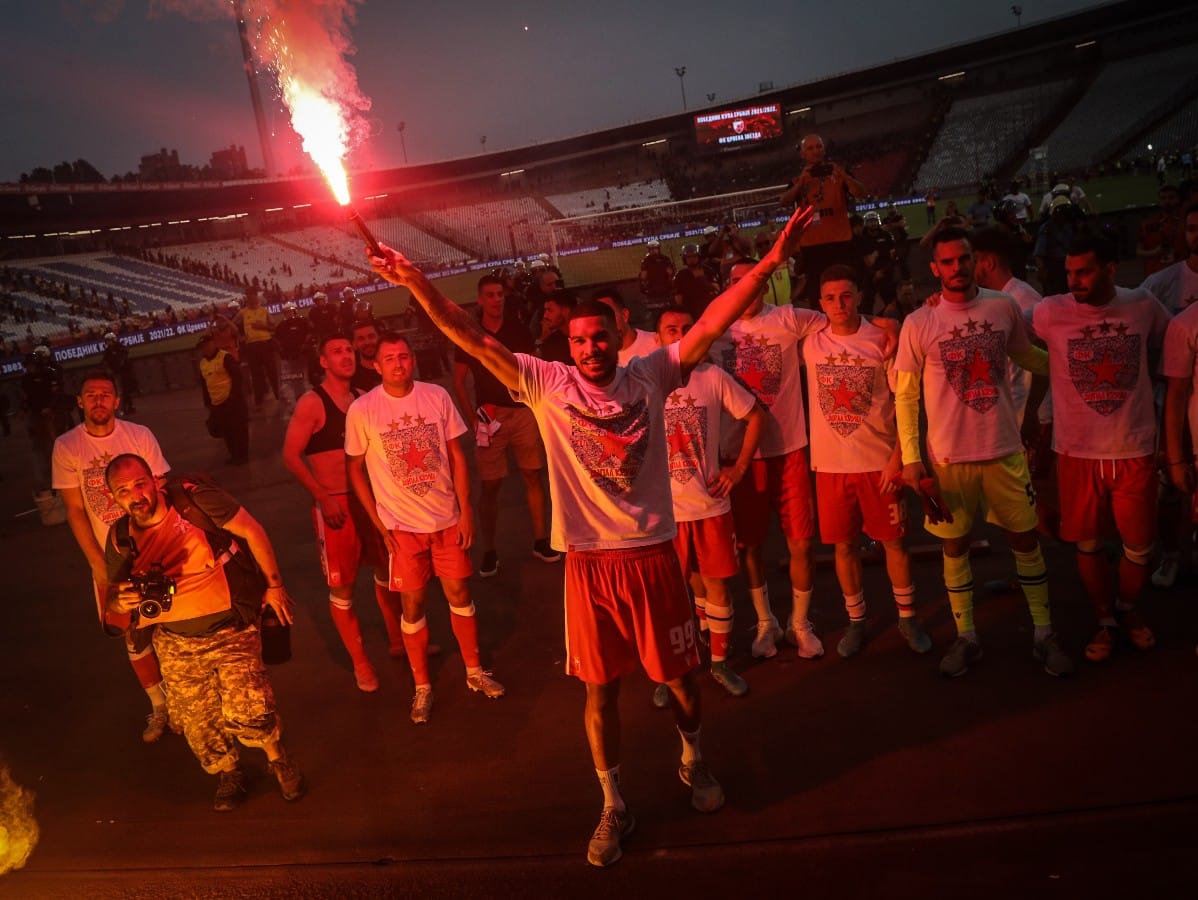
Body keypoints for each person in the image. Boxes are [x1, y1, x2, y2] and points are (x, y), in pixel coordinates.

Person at [366, 203, 821, 869]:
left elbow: (716, 318)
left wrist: (773, 263)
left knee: (685, 681)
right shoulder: (545, 384)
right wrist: (415, 284)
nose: (589, 348)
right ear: (568, 347)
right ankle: (612, 802)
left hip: (652, 559)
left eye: (598, 337)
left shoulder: (654, 374)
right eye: (578, 341)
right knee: (598, 692)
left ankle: (694, 758)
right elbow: (468, 336)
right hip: (587, 567)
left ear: (616, 334)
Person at [895, 226, 1072, 678]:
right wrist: (912, 458)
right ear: (935, 269)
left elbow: (1026, 355)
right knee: (954, 547)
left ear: (976, 260)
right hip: (949, 459)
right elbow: (906, 395)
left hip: (1003, 448)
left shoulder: (1003, 306)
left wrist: (1071, 361)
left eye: (964, 259)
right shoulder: (920, 322)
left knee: (1025, 541)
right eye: (948, 262)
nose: (957, 268)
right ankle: (967, 636)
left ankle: (1043, 633)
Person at [103, 454, 305, 812]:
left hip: (230, 628)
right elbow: (115, 607)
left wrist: (274, 586)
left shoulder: (194, 502)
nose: (135, 495)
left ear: (154, 481)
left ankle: (277, 759)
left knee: (249, 707)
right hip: (175, 642)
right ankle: (230, 772)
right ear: (113, 499)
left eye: (140, 484)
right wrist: (120, 602)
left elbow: (253, 531)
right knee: (200, 723)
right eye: (123, 490)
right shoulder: (120, 538)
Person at [346, 332, 505, 725]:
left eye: (404, 356)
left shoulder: (436, 396)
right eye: (390, 358)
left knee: (459, 592)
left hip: (446, 518)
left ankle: (473, 671)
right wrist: (377, 520)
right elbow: (354, 467)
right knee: (412, 603)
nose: (398, 363)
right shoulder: (363, 410)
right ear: (376, 365)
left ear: (413, 360)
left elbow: (457, 454)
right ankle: (422, 686)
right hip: (401, 526)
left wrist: (465, 509)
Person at [1031, 234, 1171, 663]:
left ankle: (1128, 609)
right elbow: (998, 319)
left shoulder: (1143, 305)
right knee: (1087, 544)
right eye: (1069, 272)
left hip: (1134, 447)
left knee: (1139, 546)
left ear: (1110, 268)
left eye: (1084, 271)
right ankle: (1105, 619)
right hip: (1077, 453)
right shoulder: (1050, 312)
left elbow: (1176, 342)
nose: (1074, 280)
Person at [709, 257, 847, 661]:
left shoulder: (789, 318)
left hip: (788, 451)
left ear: (766, 282)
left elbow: (842, 319)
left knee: (801, 544)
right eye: (736, 280)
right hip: (739, 458)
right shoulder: (716, 327)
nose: (745, 286)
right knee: (750, 546)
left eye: (753, 279)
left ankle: (800, 623)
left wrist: (888, 325)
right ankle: (765, 620)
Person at [803, 267, 932, 657]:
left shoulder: (883, 340)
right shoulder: (809, 340)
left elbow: (905, 401)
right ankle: (856, 620)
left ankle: (907, 618)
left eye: (846, 295)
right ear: (820, 303)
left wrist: (898, 457)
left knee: (895, 544)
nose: (838, 305)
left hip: (879, 463)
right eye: (830, 298)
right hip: (830, 468)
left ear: (859, 295)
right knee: (844, 547)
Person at [282, 334, 410, 693]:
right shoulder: (313, 403)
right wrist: (323, 497)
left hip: (368, 502)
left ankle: (398, 640)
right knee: (343, 588)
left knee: (387, 574)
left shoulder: (361, 400)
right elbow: (290, 456)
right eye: (336, 352)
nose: (346, 356)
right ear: (322, 362)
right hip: (335, 506)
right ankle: (360, 663)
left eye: (349, 350)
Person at [51, 369, 173, 741]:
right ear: (80, 402)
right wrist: (96, 562)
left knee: (171, 625)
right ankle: (158, 706)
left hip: (153, 548)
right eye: (91, 395)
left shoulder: (139, 436)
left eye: (106, 394)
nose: (99, 400)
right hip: (111, 558)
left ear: (117, 401)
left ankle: (184, 699)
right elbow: (74, 509)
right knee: (132, 636)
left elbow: (162, 488)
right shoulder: (67, 446)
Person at [651, 307, 765, 699]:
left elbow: (755, 417)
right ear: (658, 337)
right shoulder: (646, 381)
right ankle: (672, 673)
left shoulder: (712, 377)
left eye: (687, 329)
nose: (681, 335)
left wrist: (738, 469)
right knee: (669, 596)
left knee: (716, 585)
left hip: (710, 506)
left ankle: (718, 663)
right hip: (665, 517)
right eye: (672, 330)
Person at [452, 275, 558, 577]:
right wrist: (472, 418)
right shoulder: (470, 334)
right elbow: (459, 380)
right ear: (481, 299)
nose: (497, 299)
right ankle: (489, 549)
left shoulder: (518, 330)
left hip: (522, 412)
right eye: (491, 294)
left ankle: (541, 539)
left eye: (500, 294)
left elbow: (531, 368)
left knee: (532, 475)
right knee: (490, 485)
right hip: (490, 416)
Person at [781, 134, 868, 305]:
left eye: (818, 147)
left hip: (840, 242)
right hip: (813, 247)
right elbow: (784, 201)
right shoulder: (798, 179)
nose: (815, 151)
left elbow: (861, 193)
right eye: (810, 148)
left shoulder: (838, 172)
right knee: (817, 294)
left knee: (847, 288)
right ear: (803, 154)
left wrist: (844, 176)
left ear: (824, 149)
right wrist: (800, 184)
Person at [198, 331, 249, 465]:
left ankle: (242, 456)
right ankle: (234, 455)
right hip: (217, 403)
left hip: (231, 401)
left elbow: (237, 377)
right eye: (203, 347)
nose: (205, 349)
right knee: (227, 432)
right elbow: (204, 384)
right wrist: (208, 402)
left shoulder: (225, 357)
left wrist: (233, 395)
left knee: (238, 430)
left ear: (213, 344)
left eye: (207, 345)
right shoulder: (203, 363)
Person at [232, 287, 279, 409]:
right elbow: (232, 325)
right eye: (248, 295)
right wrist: (240, 336)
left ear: (256, 296)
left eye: (252, 295)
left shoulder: (264, 311)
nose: (250, 298)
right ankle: (259, 401)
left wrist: (263, 326)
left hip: (265, 344)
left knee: (272, 372)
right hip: (251, 346)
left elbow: (274, 327)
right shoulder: (243, 312)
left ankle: (279, 395)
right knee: (256, 375)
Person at [592, 288, 659, 365]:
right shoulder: (602, 361)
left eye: (610, 315)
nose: (605, 323)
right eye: (599, 318)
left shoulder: (656, 343)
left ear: (624, 315)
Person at [1138, 186, 1189, 284]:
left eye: (1171, 198)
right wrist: (1154, 252)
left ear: (1178, 199)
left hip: (1182, 274)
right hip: (1156, 275)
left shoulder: (1187, 222)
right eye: (1163, 198)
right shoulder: (1147, 224)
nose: (1167, 201)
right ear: (1159, 201)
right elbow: (1139, 251)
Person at [273, 301, 312, 418]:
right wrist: (282, 350)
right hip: (290, 356)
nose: (289, 314)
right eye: (287, 312)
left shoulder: (302, 321)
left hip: (303, 354)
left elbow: (309, 333)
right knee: (294, 379)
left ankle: (306, 401)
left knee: (304, 378)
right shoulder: (282, 325)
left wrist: (305, 345)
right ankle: (298, 403)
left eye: (291, 311)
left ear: (295, 311)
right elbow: (277, 339)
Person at [673, 243, 720, 319]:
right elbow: (678, 297)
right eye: (688, 257)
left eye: (694, 256)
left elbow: (717, 290)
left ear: (698, 256)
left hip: (710, 310)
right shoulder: (680, 275)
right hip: (691, 313)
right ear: (685, 259)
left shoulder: (708, 271)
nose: (691, 259)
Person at [535, 289, 575, 365]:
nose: (545, 316)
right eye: (545, 310)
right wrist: (542, 338)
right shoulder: (552, 341)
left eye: (550, 310)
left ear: (566, 311)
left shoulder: (584, 335)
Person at [638, 240, 676, 320]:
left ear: (658, 249)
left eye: (654, 249)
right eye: (651, 249)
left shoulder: (665, 259)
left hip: (665, 289)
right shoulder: (646, 261)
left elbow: (670, 273)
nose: (653, 251)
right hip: (654, 290)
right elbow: (644, 276)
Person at [102, 332, 138, 415]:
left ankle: (128, 407)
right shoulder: (108, 351)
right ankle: (126, 407)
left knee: (125, 390)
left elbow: (123, 359)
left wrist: (117, 367)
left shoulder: (120, 348)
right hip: (116, 373)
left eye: (109, 341)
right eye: (107, 341)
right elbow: (104, 361)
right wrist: (108, 369)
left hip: (124, 372)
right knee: (120, 391)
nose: (108, 343)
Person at [350, 320, 383, 393]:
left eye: (371, 336)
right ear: (354, 344)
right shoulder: (351, 377)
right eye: (361, 339)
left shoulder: (393, 367)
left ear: (379, 338)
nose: (367, 342)